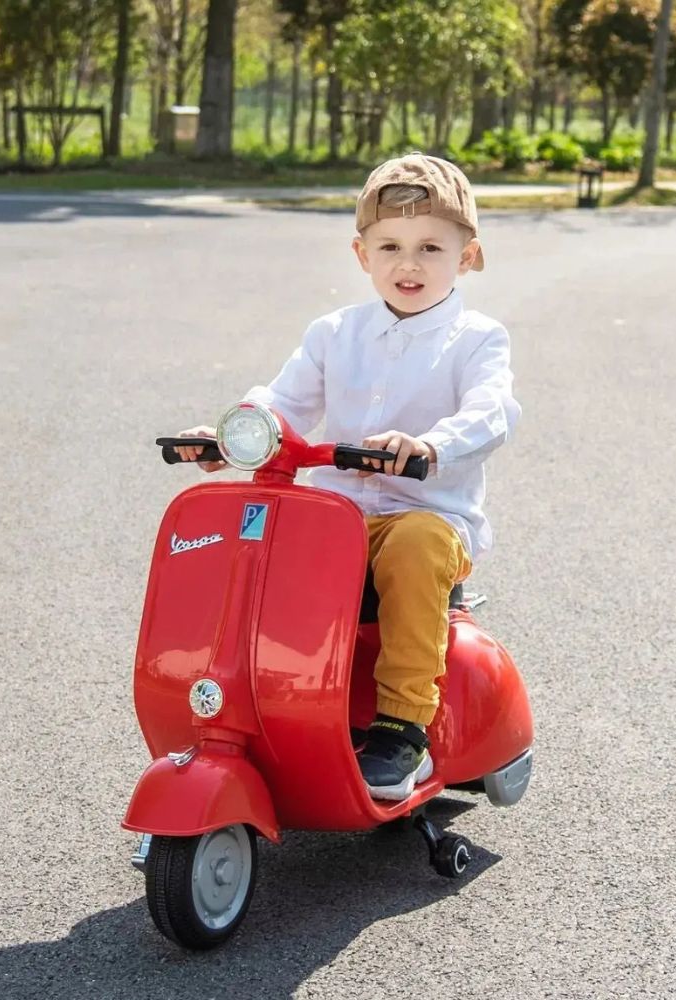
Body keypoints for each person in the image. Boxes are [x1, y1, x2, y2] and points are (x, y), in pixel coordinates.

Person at [174, 152, 521, 801]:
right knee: (252, 541)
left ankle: (401, 728)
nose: (409, 265)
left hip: (427, 521)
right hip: (335, 521)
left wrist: (430, 445)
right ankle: (254, 704)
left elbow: (492, 411)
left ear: (467, 256)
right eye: (390, 246)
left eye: (430, 247)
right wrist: (233, 432)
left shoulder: (478, 339)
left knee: (415, 542)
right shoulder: (334, 333)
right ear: (362, 255)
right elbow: (283, 401)